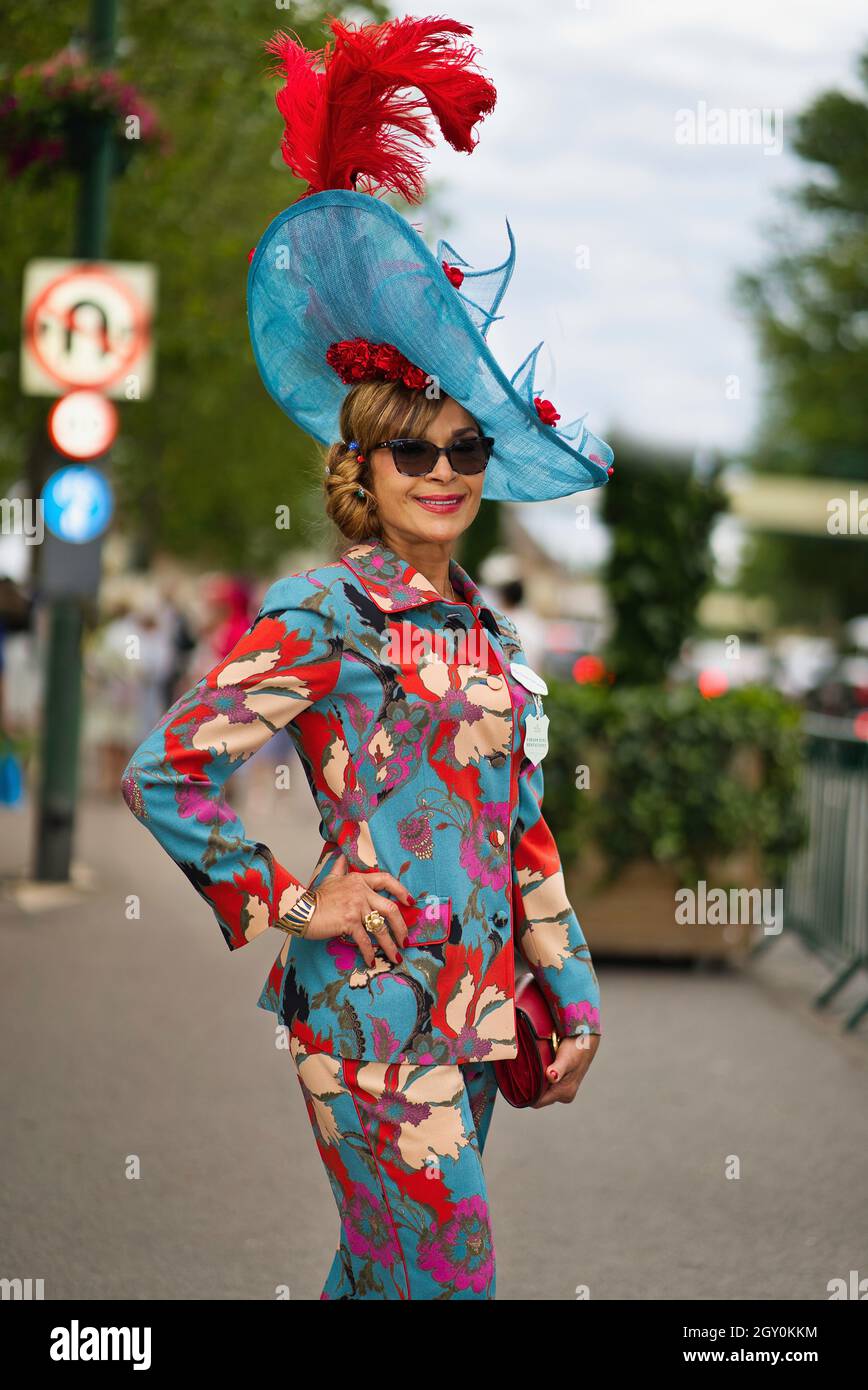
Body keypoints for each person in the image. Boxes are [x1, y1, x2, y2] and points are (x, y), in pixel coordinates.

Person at [121, 14, 614, 1301]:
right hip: (367, 1018)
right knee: (446, 1288)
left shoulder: (489, 638)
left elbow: (523, 833)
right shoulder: (325, 609)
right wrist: (294, 900)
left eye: (465, 449)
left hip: (473, 1019)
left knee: (376, 1283)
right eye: (414, 448)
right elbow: (166, 771)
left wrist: (571, 991)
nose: (444, 472)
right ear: (363, 464)